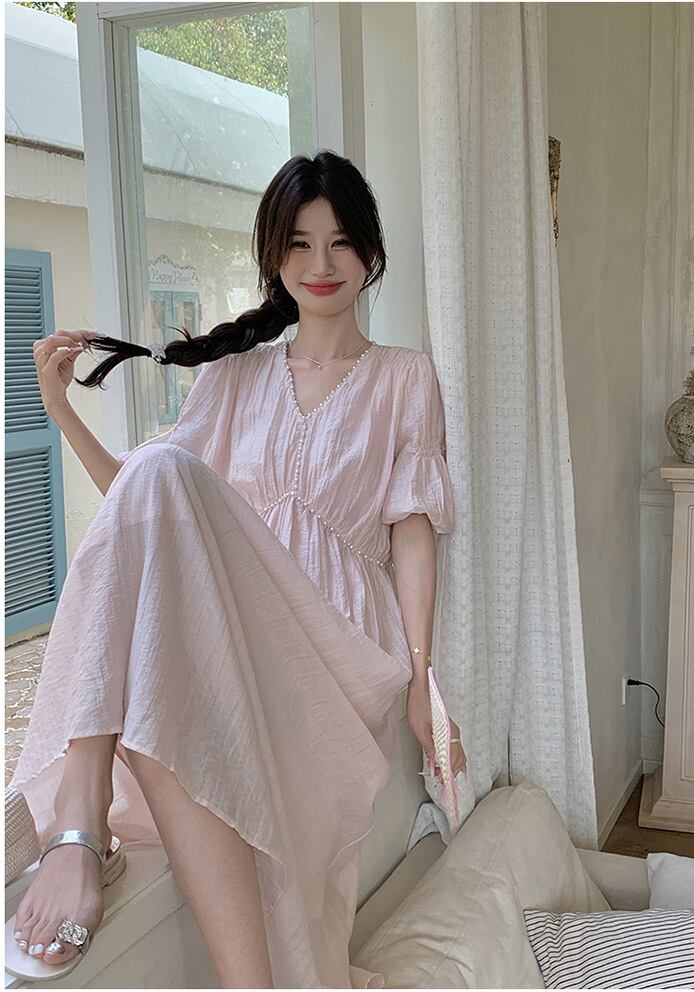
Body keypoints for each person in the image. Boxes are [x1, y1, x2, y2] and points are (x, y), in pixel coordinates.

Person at [7, 150, 466, 989]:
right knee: (156, 492)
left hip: (335, 650)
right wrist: (60, 412)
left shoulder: (405, 377)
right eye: (299, 243)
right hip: (241, 633)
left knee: (160, 484)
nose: (320, 263)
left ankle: (80, 815)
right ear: (272, 255)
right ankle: (89, 811)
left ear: (370, 252)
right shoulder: (236, 374)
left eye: (340, 242)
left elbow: (411, 532)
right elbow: (139, 508)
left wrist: (421, 677)